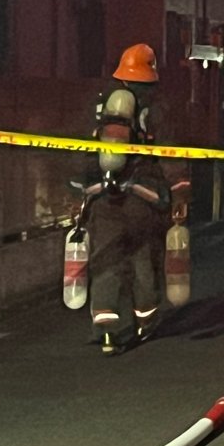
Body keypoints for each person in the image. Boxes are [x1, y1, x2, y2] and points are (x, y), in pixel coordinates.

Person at [83, 42, 185, 354]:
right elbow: (172, 154)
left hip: (103, 198)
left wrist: (82, 191)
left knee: (107, 260)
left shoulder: (101, 105)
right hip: (144, 197)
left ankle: (107, 332)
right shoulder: (156, 108)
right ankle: (145, 320)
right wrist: (180, 194)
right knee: (144, 258)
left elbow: (81, 150)